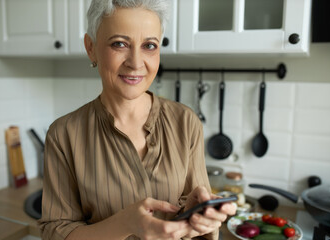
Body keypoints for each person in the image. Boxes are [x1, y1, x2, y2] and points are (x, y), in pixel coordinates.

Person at [38, 0, 236, 239]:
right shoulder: (64, 134)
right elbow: (56, 231)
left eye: (149, 45)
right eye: (119, 44)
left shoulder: (186, 122)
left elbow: (196, 224)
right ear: (91, 48)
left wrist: (197, 215)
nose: (135, 62)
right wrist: (124, 225)